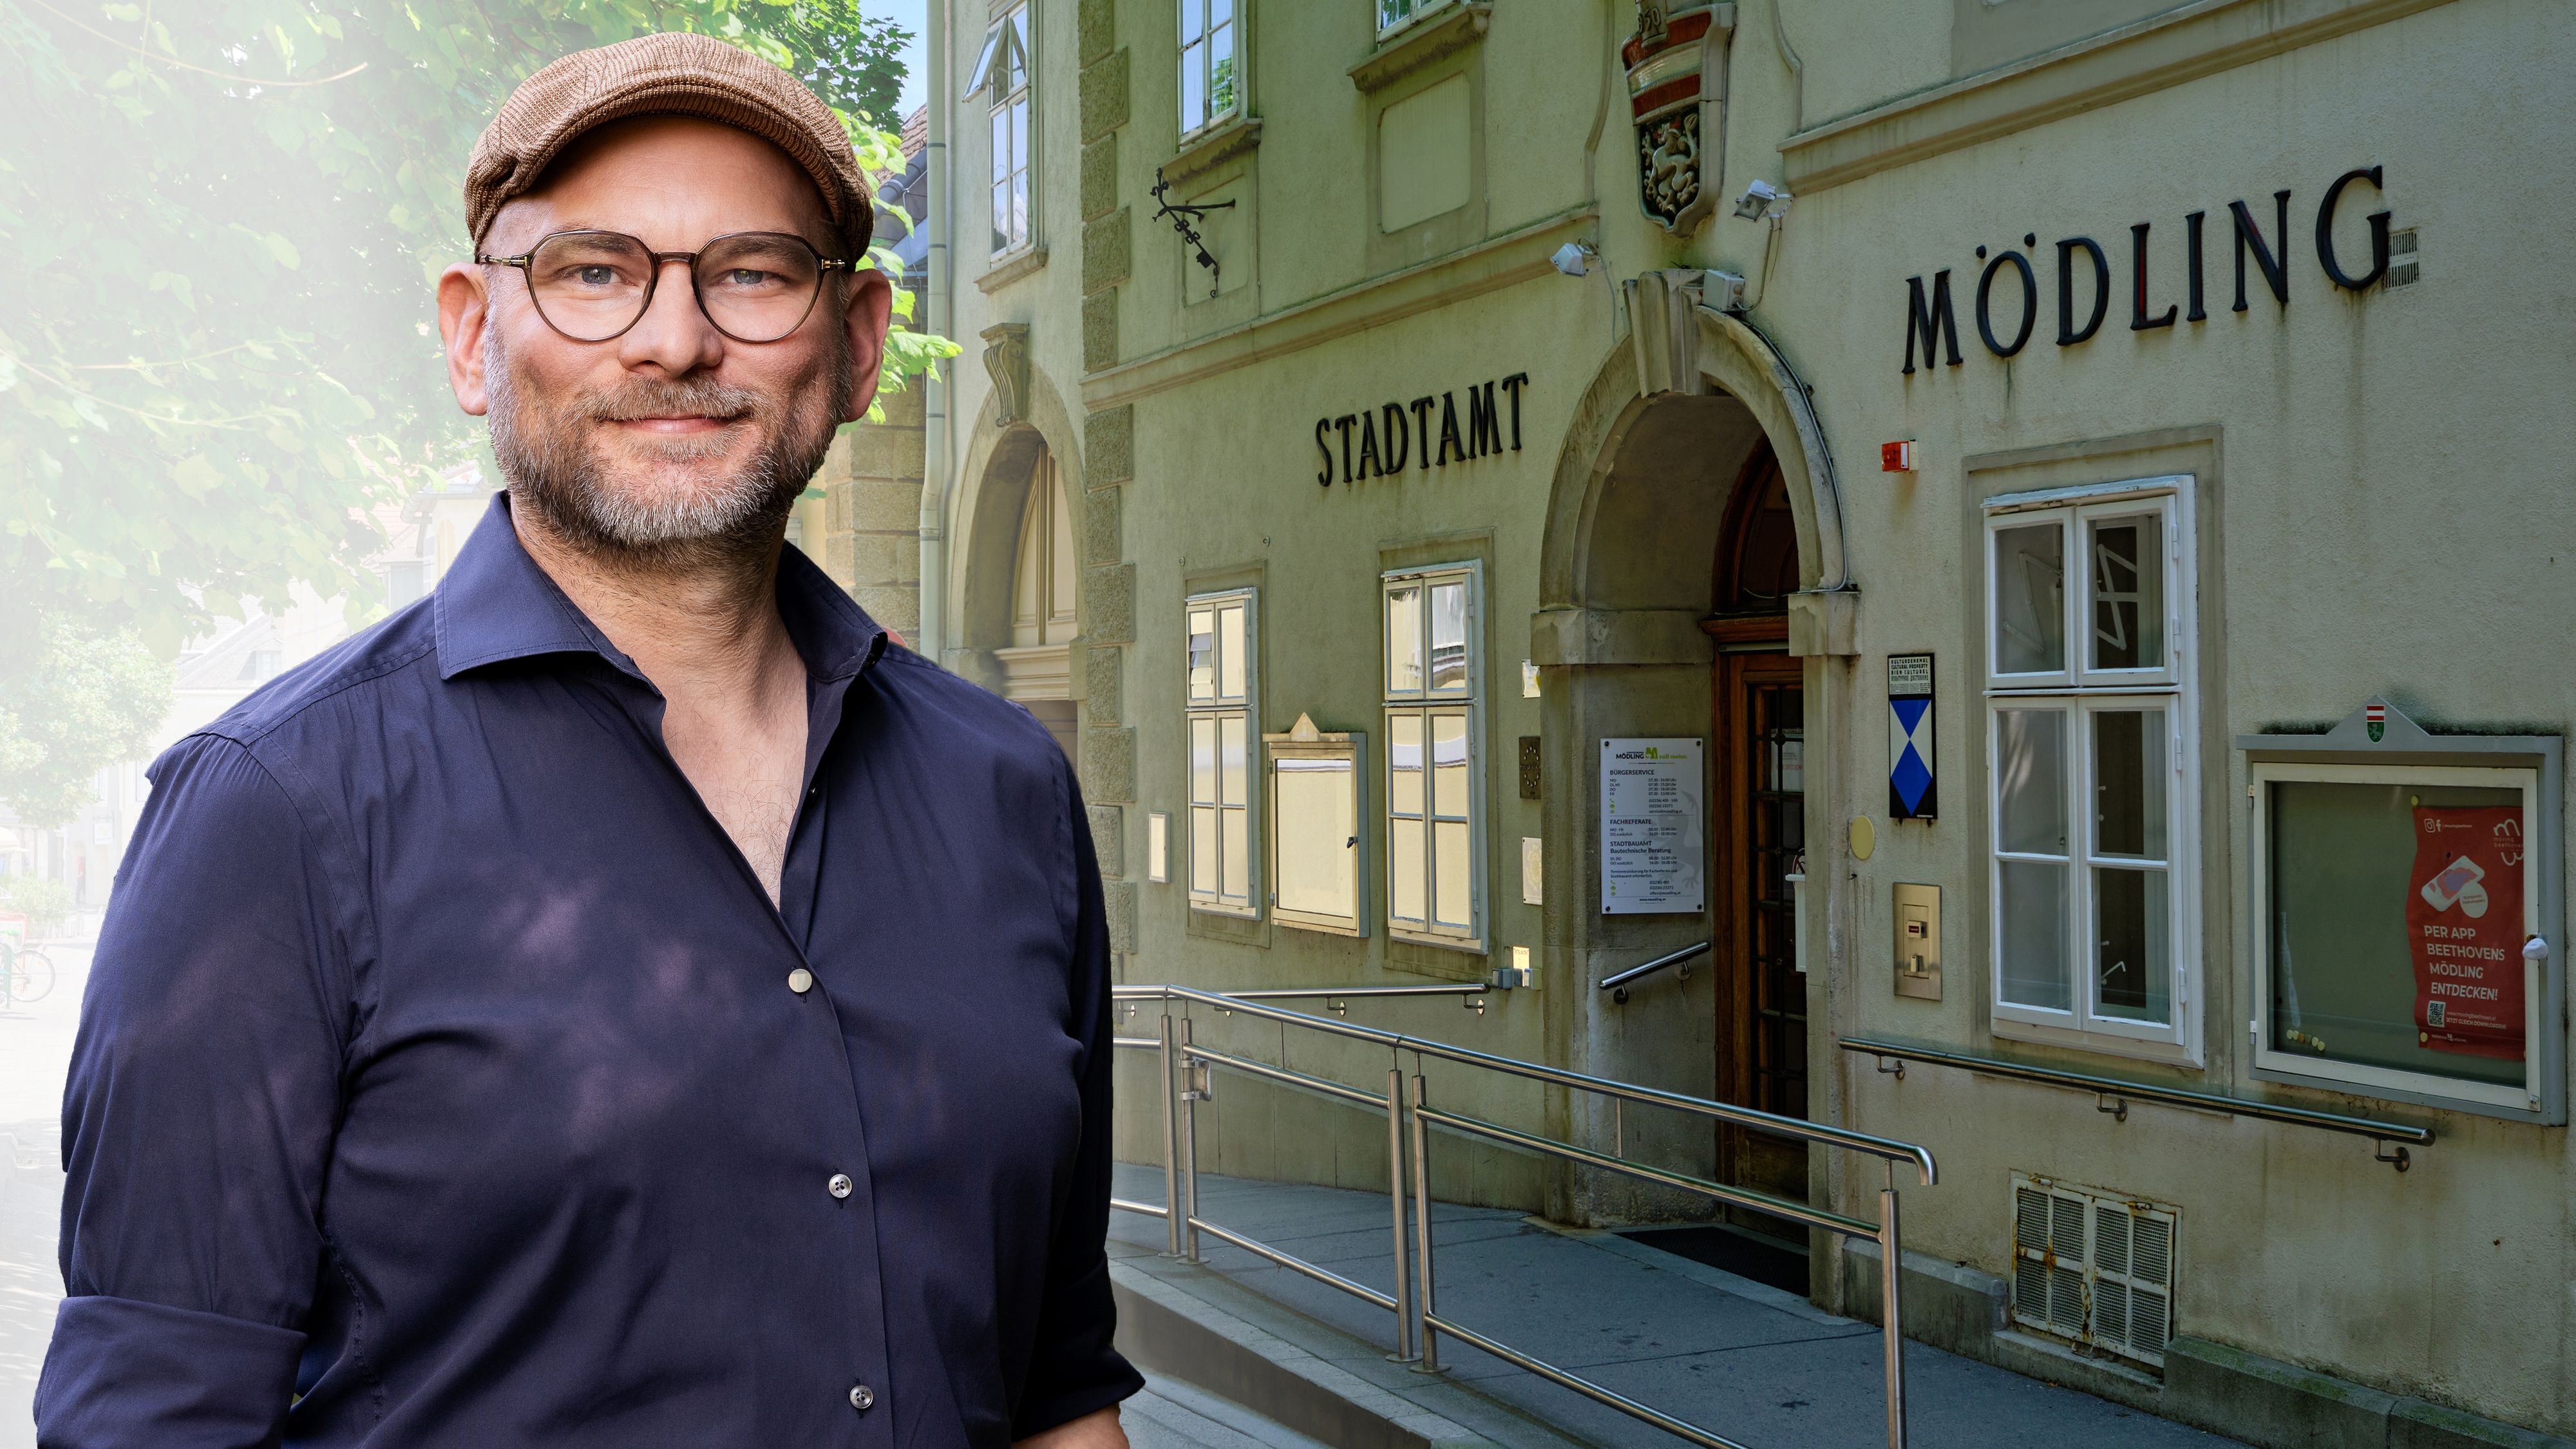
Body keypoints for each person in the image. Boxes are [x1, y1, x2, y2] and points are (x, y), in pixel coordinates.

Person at [35, 33, 1137, 1449]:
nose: (675, 341)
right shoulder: (276, 812)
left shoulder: (1007, 792)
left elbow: (1056, 1391)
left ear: (859, 339)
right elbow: (155, 1419)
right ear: (471, 334)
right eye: (595, 272)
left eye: (753, 272)